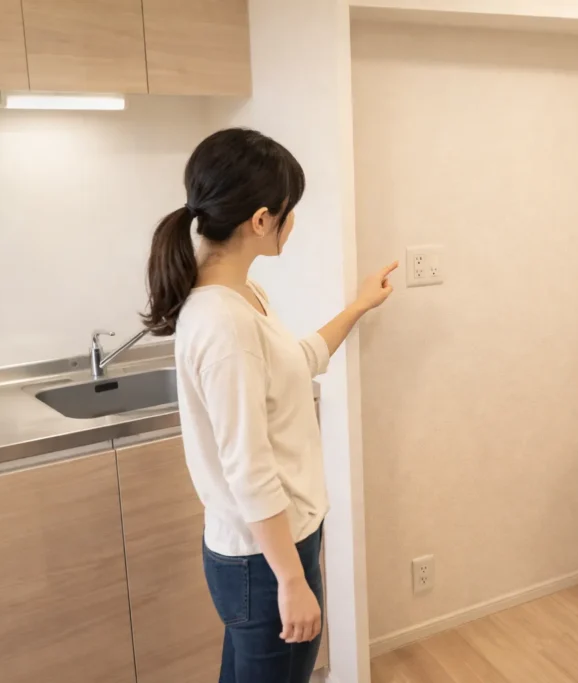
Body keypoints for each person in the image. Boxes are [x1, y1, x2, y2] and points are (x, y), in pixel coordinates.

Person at [142, 127, 396, 682]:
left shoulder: (244, 297)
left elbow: (296, 362)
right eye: (288, 210)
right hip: (263, 560)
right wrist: (290, 580)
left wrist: (358, 306)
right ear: (261, 220)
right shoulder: (223, 323)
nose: (292, 221)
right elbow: (249, 469)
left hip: (271, 547)